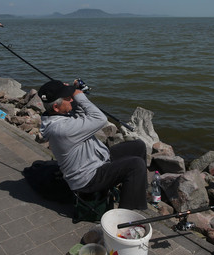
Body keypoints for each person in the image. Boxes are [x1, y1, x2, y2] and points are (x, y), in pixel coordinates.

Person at [38, 80, 148, 210]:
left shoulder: (58, 116)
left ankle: (137, 190)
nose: (72, 100)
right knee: (135, 165)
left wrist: (71, 90)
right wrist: (79, 95)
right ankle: (126, 214)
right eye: (68, 98)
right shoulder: (61, 129)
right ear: (56, 107)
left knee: (138, 146)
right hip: (88, 178)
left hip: (97, 159)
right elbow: (100, 119)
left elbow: (79, 114)